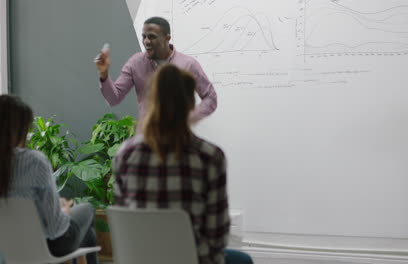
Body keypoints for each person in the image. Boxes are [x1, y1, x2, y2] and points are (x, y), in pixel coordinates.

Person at [113, 65, 252, 264]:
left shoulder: (125, 155)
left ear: (151, 101)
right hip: (192, 259)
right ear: (190, 104)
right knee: (242, 260)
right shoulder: (210, 157)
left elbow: (125, 223)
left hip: (141, 259)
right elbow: (217, 235)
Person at [0, 95, 99, 264]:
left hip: (6, 249)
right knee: (87, 209)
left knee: (87, 234)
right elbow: (55, 229)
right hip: (48, 246)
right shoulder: (34, 161)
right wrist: (65, 210)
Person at [95, 16, 217, 124]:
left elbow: (210, 97)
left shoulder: (188, 64)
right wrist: (104, 74)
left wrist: (190, 118)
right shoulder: (135, 63)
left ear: (167, 38)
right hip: (147, 139)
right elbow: (114, 99)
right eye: (144, 37)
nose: (146, 41)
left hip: (178, 139)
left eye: (152, 37)